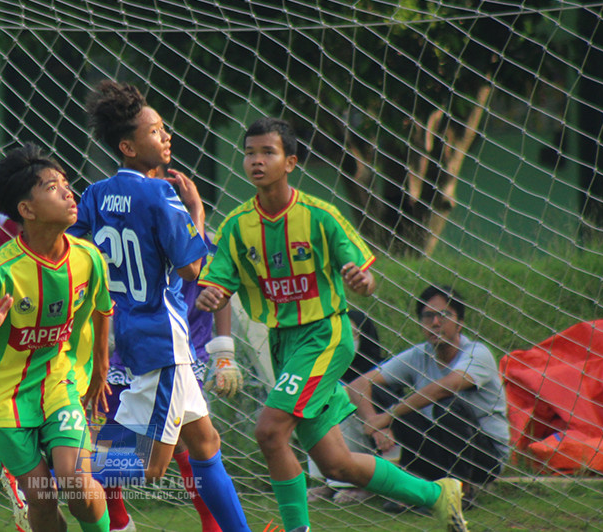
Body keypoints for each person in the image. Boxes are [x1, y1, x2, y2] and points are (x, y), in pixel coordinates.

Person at [195, 117, 468, 532]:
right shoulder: (237, 225)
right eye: (250, 152)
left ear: (290, 162)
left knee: (269, 431)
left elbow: (364, 276)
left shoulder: (321, 216)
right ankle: (438, 495)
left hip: (325, 335)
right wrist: (220, 333)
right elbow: (218, 286)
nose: (256, 160)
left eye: (268, 152)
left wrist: (363, 279)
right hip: (284, 343)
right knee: (335, 464)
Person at [69, 80, 249, 532]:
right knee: (149, 465)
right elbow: (193, 270)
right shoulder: (159, 194)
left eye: (164, 129)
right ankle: (48, 480)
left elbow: (76, 250)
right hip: (160, 342)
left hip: (133, 332)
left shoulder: (92, 194)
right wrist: (196, 212)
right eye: (155, 131)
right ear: (128, 146)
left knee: (206, 446)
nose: (165, 137)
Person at [0, 143, 113, 532]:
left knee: (75, 483)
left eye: (67, 184)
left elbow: (104, 309)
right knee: (41, 496)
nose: (68, 193)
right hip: (2, 396)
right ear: (27, 210)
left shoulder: (87, 259)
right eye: (54, 187)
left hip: (60, 380)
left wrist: (101, 368)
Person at [348, 284, 509, 510]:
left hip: (483, 455)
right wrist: (375, 424)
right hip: (439, 447)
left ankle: (463, 492)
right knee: (393, 401)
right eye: (428, 316)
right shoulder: (419, 354)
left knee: (445, 405)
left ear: (460, 323)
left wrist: (389, 415)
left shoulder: (477, 353)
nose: (435, 323)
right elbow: (358, 384)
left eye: (444, 315)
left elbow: (445, 387)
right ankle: (417, 488)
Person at [306, 309, 394, 504]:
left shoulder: (381, 369)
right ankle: (326, 481)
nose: (345, 339)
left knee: (343, 405)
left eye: (352, 334)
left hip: (379, 436)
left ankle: (358, 483)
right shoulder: (328, 369)